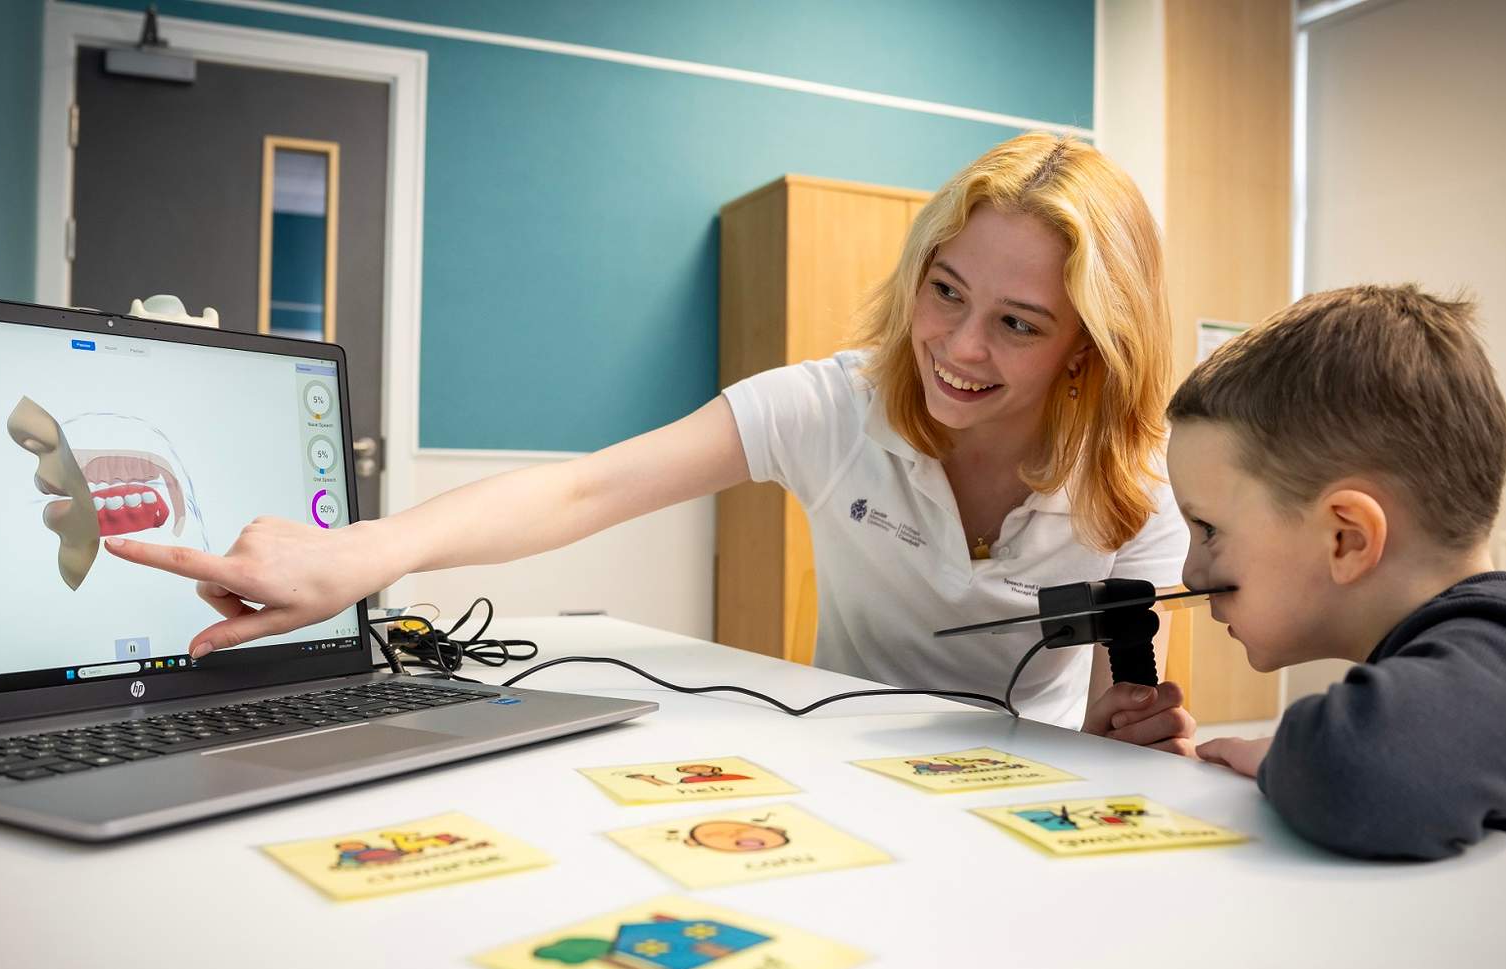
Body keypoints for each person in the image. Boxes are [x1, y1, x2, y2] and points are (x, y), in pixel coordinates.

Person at [106, 132, 1196, 748]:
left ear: (1086, 349)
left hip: (1015, 792)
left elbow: (1115, 704)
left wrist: (1136, 728)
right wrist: (359, 555)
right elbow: (587, 491)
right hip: (844, 767)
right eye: (943, 291)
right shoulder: (836, 408)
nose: (956, 347)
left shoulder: (1137, 497)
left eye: (1016, 323)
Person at [1168, 284, 1506, 878]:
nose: (1191, 573)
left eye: (1208, 529)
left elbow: (1356, 773)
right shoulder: (1485, 644)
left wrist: (1280, 755)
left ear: (1345, 538)